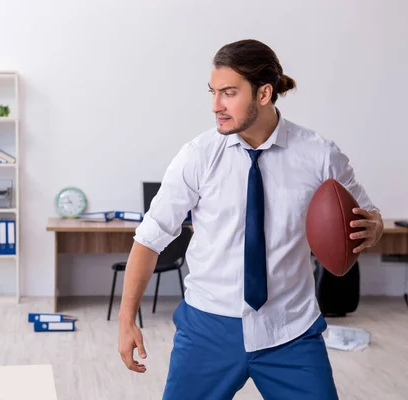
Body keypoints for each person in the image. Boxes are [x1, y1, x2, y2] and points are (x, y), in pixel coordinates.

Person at [117, 39, 384, 399]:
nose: (216, 106)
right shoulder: (197, 156)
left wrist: (376, 226)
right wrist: (126, 318)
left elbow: (368, 216)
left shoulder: (320, 156)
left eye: (228, 93)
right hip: (208, 329)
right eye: (213, 93)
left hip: (291, 330)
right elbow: (149, 238)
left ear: (264, 93)